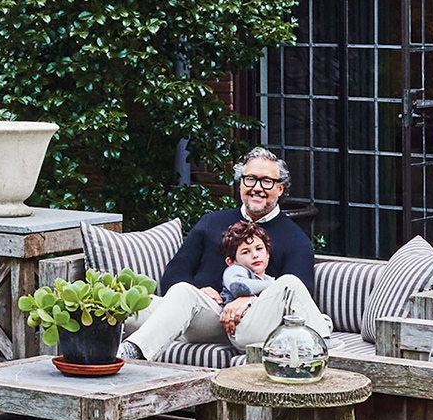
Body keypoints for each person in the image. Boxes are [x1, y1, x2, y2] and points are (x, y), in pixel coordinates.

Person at [120, 147, 326, 364]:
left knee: (182, 296)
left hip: (246, 323)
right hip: (203, 315)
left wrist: (248, 299)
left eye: (266, 181)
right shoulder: (211, 222)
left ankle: (133, 352)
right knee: (132, 303)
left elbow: (294, 294)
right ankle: (94, 357)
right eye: (250, 179)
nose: (257, 188)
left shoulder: (295, 239)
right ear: (240, 184)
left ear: (280, 189)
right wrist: (199, 292)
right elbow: (175, 273)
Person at [218, 218, 274, 303]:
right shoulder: (235, 270)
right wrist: (276, 286)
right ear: (232, 262)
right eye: (245, 252)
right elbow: (238, 287)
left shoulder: (269, 280)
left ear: (267, 253)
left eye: (259, 248)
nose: (255, 255)